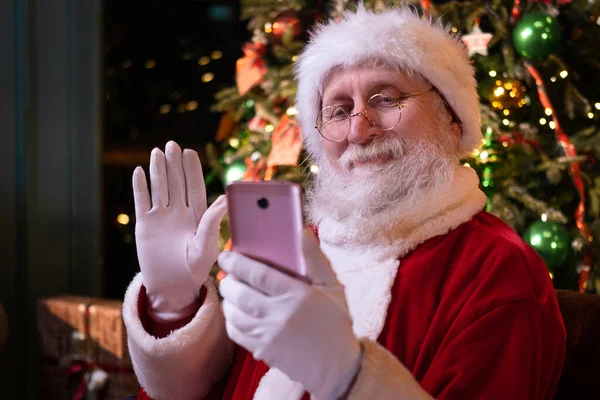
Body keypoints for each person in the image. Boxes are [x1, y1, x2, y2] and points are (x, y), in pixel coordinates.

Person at [123, 5, 566, 400]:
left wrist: (350, 377)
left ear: (452, 121)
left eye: (386, 98)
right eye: (338, 109)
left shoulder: (496, 269)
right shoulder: (299, 250)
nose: (358, 129)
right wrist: (173, 306)